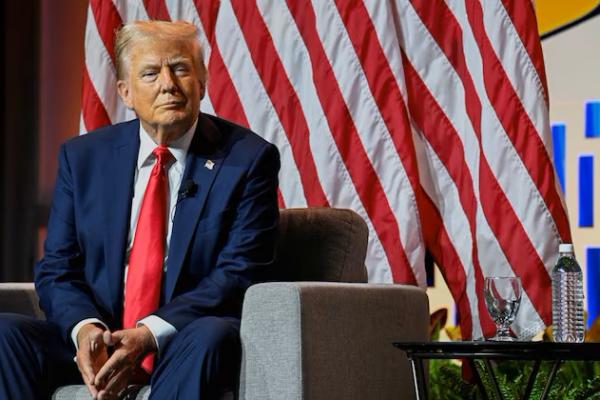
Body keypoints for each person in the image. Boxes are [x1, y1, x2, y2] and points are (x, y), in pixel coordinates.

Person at [0, 20, 279, 400]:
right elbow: (57, 269)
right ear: (126, 92)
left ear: (202, 82)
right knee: (6, 336)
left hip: (182, 338)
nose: (168, 83)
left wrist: (150, 332)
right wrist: (86, 330)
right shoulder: (83, 158)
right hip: (104, 337)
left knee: (210, 336)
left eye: (180, 68)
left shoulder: (247, 160)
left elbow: (239, 271)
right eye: (151, 73)